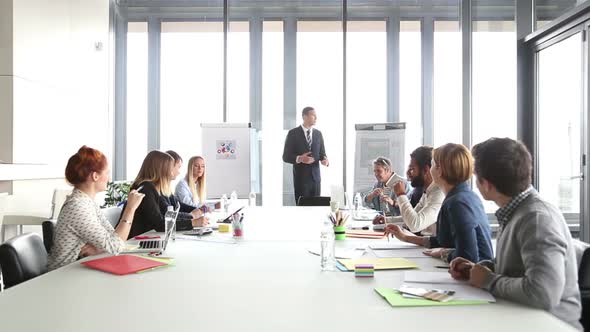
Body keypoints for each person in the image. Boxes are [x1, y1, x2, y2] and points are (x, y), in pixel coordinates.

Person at [449, 138, 581, 329]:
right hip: (521, 318)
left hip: (548, 324)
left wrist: (488, 280)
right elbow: (519, 268)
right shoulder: (516, 212)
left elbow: (543, 293)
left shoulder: (536, 219)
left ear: (486, 184)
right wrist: (481, 270)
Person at [385, 143, 493, 264]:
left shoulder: (457, 203)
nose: (430, 170)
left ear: (440, 170)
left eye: (433, 164)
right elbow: (442, 241)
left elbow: (467, 257)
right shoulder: (461, 196)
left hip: (472, 275)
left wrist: (443, 253)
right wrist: (406, 237)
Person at [47, 146, 145, 270]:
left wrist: (99, 248)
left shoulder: (87, 202)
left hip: (78, 270)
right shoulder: (78, 206)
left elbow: (113, 238)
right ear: (95, 176)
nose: (109, 178)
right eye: (107, 173)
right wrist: (130, 209)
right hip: (63, 275)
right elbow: (116, 245)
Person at [122, 150, 208, 239]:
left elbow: (169, 212)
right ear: (161, 169)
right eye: (171, 167)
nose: (174, 171)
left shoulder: (151, 187)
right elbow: (160, 224)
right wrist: (193, 222)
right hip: (137, 242)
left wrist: (195, 214)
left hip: (148, 237)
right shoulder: (146, 189)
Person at [373, 146, 443, 236]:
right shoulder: (428, 191)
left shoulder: (439, 193)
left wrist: (401, 194)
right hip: (425, 245)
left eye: (412, 169)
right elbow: (411, 217)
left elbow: (415, 224)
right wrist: (386, 220)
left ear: (426, 170)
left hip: (432, 247)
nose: (408, 173)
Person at [282, 106, 329, 205]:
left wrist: (325, 161)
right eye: (313, 115)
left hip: (316, 180)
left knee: (316, 209)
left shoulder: (318, 134)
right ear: (304, 117)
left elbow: (322, 154)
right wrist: (300, 158)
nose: (316, 118)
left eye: (316, 116)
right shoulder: (293, 133)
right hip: (301, 180)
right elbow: (286, 156)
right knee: (302, 209)